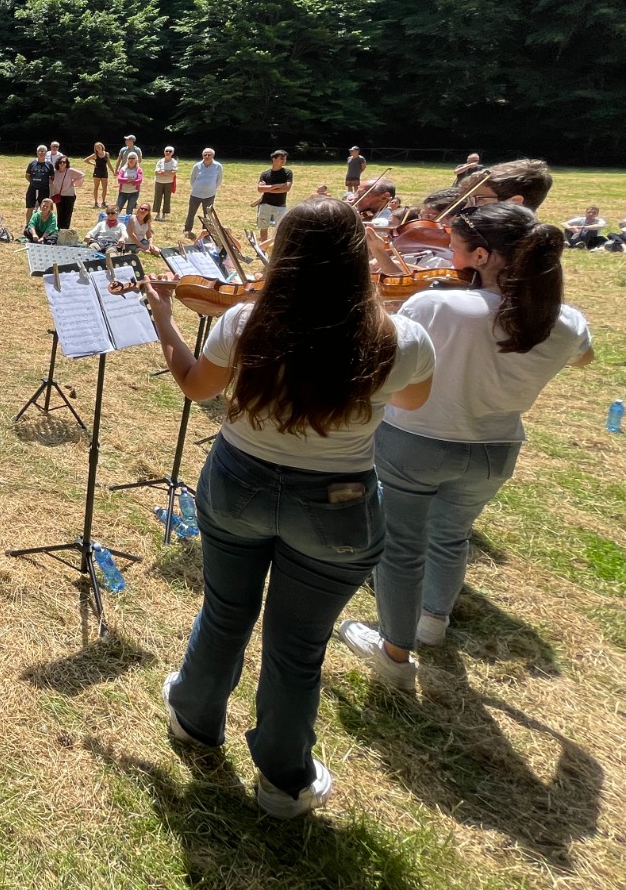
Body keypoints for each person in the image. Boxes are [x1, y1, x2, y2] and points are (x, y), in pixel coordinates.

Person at [144, 197, 434, 818]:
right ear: (359, 259)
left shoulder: (246, 321)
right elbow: (412, 400)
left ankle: (194, 719)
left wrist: (165, 320)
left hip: (239, 481)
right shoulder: (399, 337)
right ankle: (283, 780)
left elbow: (197, 386)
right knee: (297, 645)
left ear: (284, 255)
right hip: (338, 501)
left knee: (225, 610)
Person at [339, 204, 591, 689]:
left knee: (401, 546)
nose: (444, 249)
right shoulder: (564, 321)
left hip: (417, 439)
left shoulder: (439, 305)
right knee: (451, 536)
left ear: (481, 254)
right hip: (496, 449)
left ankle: (394, 650)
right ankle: (433, 620)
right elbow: (583, 359)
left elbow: (379, 350)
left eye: (453, 243)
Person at [184, 148, 223, 236]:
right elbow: (192, 179)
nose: (207, 156)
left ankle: (206, 232)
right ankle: (187, 230)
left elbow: (219, 180)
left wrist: (211, 188)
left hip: (209, 195)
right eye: (205, 155)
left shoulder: (218, 166)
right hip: (195, 194)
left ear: (213, 155)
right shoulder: (197, 166)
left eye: (209, 154)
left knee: (208, 215)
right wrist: (198, 187)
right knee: (191, 213)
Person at [255, 150, 293, 242]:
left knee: (280, 228)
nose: (284, 160)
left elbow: (286, 188)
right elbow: (260, 189)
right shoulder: (265, 174)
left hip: (280, 205)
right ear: (274, 159)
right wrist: (277, 186)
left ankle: (276, 247)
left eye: (285, 158)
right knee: (263, 227)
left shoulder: (288, 173)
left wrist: (268, 189)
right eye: (281, 158)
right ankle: (262, 249)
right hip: (265, 204)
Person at [49, 154, 85, 231]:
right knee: (60, 213)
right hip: (58, 196)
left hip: (69, 196)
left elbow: (82, 175)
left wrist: (74, 182)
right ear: (58, 163)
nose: (62, 164)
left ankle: (65, 230)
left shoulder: (70, 171)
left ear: (67, 163)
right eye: (61, 162)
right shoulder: (55, 172)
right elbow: (50, 182)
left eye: (64, 162)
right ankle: (59, 230)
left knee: (67, 214)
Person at [25, 146, 54, 227]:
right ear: (37, 153)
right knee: (30, 207)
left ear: (46, 153)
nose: (41, 153)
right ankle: (28, 225)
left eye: (43, 151)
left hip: (44, 189)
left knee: (44, 208)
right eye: (40, 151)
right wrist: (33, 182)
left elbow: (51, 178)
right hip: (32, 188)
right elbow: (27, 176)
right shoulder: (32, 164)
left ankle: (42, 225)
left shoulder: (49, 164)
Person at [152, 147, 179, 220]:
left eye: (170, 151)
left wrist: (164, 172)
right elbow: (156, 173)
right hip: (159, 182)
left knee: (167, 198)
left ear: (172, 153)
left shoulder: (174, 162)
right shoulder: (160, 161)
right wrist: (168, 172)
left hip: (169, 183)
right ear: (164, 152)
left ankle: (164, 214)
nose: (168, 152)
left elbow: (173, 173)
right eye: (166, 151)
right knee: (157, 198)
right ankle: (157, 214)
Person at [82, 142, 111, 209]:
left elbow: (109, 163)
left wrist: (113, 171)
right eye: (96, 147)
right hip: (97, 172)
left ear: (102, 146)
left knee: (105, 187)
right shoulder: (95, 155)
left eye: (99, 146)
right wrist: (93, 164)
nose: (98, 148)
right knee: (96, 187)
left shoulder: (106, 154)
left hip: (104, 172)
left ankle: (103, 202)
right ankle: (96, 202)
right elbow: (86, 160)